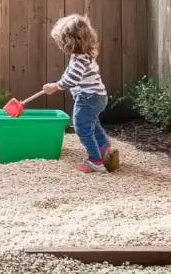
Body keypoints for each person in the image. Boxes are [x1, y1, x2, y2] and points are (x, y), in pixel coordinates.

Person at [42, 14, 120, 173]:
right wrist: (57, 83)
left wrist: (55, 86)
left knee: (81, 126)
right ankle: (104, 147)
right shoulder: (84, 55)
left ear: (69, 41)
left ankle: (95, 160)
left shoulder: (79, 59)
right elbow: (69, 73)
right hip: (97, 96)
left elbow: (72, 79)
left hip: (88, 97)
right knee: (92, 123)